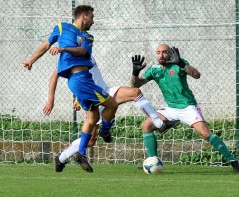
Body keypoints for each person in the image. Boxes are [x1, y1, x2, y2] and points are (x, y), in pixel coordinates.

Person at [22, 5, 118, 173]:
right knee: (112, 104)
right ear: (84, 16)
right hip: (79, 80)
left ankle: (81, 153)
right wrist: (31, 60)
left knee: (93, 117)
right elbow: (46, 45)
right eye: (92, 17)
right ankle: (105, 131)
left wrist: (63, 49)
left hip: (83, 79)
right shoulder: (62, 27)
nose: (93, 21)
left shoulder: (88, 37)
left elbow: (82, 51)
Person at [44, 54, 180, 172]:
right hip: (93, 98)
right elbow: (58, 77)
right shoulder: (69, 58)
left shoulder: (87, 50)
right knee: (90, 141)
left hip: (106, 92)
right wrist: (56, 99)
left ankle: (159, 123)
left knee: (135, 93)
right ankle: (61, 158)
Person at [131, 44, 239, 172]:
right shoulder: (154, 69)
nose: (161, 55)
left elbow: (196, 75)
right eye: (158, 52)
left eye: (164, 52)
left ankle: (233, 160)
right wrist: (135, 73)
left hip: (188, 107)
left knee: (205, 133)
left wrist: (181, 64)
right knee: (146, 125)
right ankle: (152, 161)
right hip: (171, 109)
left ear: (170, 53)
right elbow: (136, 86)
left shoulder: (178, 64)